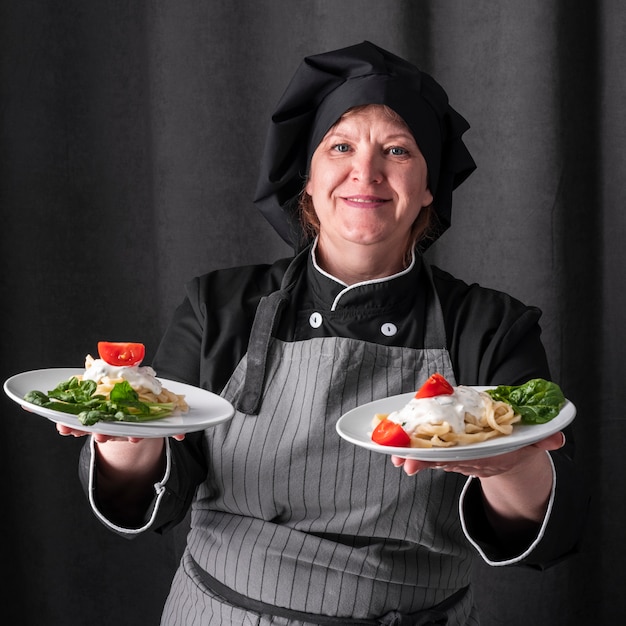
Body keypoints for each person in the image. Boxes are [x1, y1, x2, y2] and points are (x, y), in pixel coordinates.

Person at [58, 41, 586, 625]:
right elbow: (162, 494)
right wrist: (124, 440)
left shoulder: (490, 328)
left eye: (397, 149)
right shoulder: (219, 307)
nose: (367, 171)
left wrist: (510, 467)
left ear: (430, 186)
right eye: (340, 147)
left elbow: (550, 531)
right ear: (306, 178)